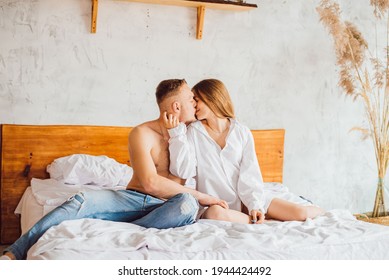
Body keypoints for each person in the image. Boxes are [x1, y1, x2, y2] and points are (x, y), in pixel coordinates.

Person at [1, 79, 227, 260]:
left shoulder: (191, 134)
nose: (196, 103)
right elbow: (150, 182)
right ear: (177, 106)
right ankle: (14, 253)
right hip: (133, 199)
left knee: (187, 206)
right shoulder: (142, 133)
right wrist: (203, 196)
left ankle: (123, 229)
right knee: (79, 200)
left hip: (168, 206)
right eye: (191, 99)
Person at [164, 79, 325, 224]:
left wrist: (255, 205)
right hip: (219, 205)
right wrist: (176, 135)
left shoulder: (241, 132)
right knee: (216, 214)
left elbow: (250, 174)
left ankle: (322, 211)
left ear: (211, 98)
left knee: (301, 212)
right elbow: (182, 170)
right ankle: (263, 223)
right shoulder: (192, 132)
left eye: (196, 100)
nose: (193, 105)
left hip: (247, 198)